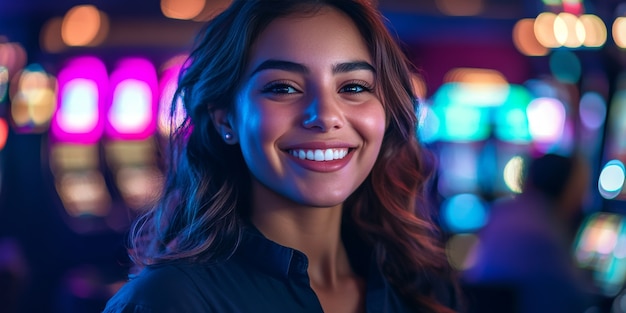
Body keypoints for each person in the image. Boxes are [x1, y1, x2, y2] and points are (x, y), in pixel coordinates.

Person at [103, 0, 460, 312]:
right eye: (283, 88)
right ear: (225, 117)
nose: (325, 116)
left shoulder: (421, 288)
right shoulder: (167, 302)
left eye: (353, 87)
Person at [463, 153, 596, 313]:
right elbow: (578, 298)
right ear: (566, 188)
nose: (582, 201)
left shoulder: (501, 213)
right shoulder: (544, 230)